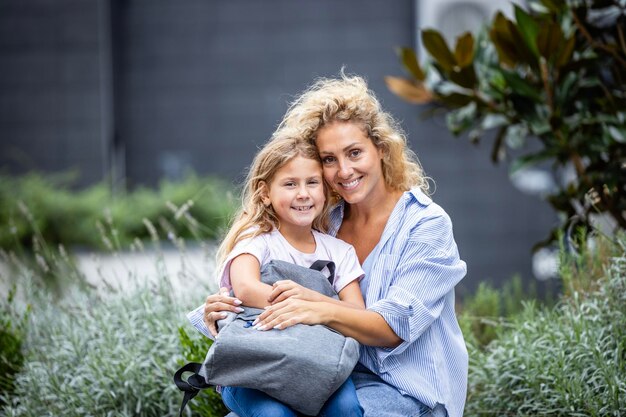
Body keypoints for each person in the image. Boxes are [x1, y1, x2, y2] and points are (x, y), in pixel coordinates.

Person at [204, 72, 468, 417]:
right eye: (329, 159)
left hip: (406, 390)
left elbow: (393, 329)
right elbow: (265, 285)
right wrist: (225, 308)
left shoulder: (425, 225)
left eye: (354, 152)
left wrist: (319, 306)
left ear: (382, 150)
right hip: (322, 370)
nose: (344, 170)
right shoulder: (324, 221)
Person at [213, 133, 366, 417]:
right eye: (290, 184)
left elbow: (356, 311)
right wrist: (307, 308)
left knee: (346, 409)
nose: (303, 193)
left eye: (312, 182)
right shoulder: (256, 242)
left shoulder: (340, 252)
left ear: (325, 190)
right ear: (264, 193)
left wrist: (309, 306)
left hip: (318, 362)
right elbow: (246, 288)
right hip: (254, 364)